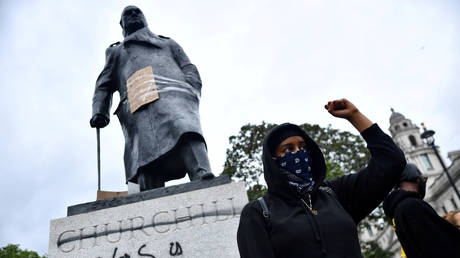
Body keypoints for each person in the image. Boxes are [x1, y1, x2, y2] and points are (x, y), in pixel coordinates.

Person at [237, 98, 406, 258]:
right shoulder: (258, 213)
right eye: (288, 149)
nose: (298, 153)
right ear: (273, 160)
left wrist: (354, 116)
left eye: (303, 147)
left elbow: (392, 162)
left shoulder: (335, 194)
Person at [90, 6, 213, 191]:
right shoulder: (117, 51)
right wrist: (99, 110)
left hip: (174, 93)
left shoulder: (168, 43)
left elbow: (188, 67)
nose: (132, 15)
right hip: (138, 99)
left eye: (136, 12)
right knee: (143, 153)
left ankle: (202, 173)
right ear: (121, 24)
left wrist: (190, 87)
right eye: (127, 14)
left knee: (185, 128)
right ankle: (145, 193)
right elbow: (104, 84)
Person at [383, 163, 460, 258]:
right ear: (417, 179)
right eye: (424, 179)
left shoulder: (399, 210)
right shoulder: (412, 205)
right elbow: (441, 243)